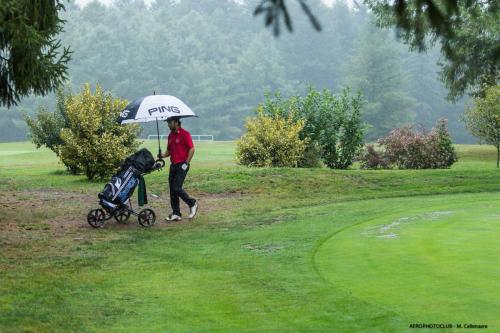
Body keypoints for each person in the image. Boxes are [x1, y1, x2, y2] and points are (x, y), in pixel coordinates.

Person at [159, 117, 198, 221]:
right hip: (173, 165)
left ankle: (192, 203)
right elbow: (169, 151)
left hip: (183, 165)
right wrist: (162, 155)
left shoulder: (185, 134)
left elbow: (192, 149)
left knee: (177, 187)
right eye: (167, 122)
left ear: (176, 122)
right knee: (172, 189)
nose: (168, 125)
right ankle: (176, 213)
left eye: (170, 122)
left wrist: (186, 163)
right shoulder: (170, 136)